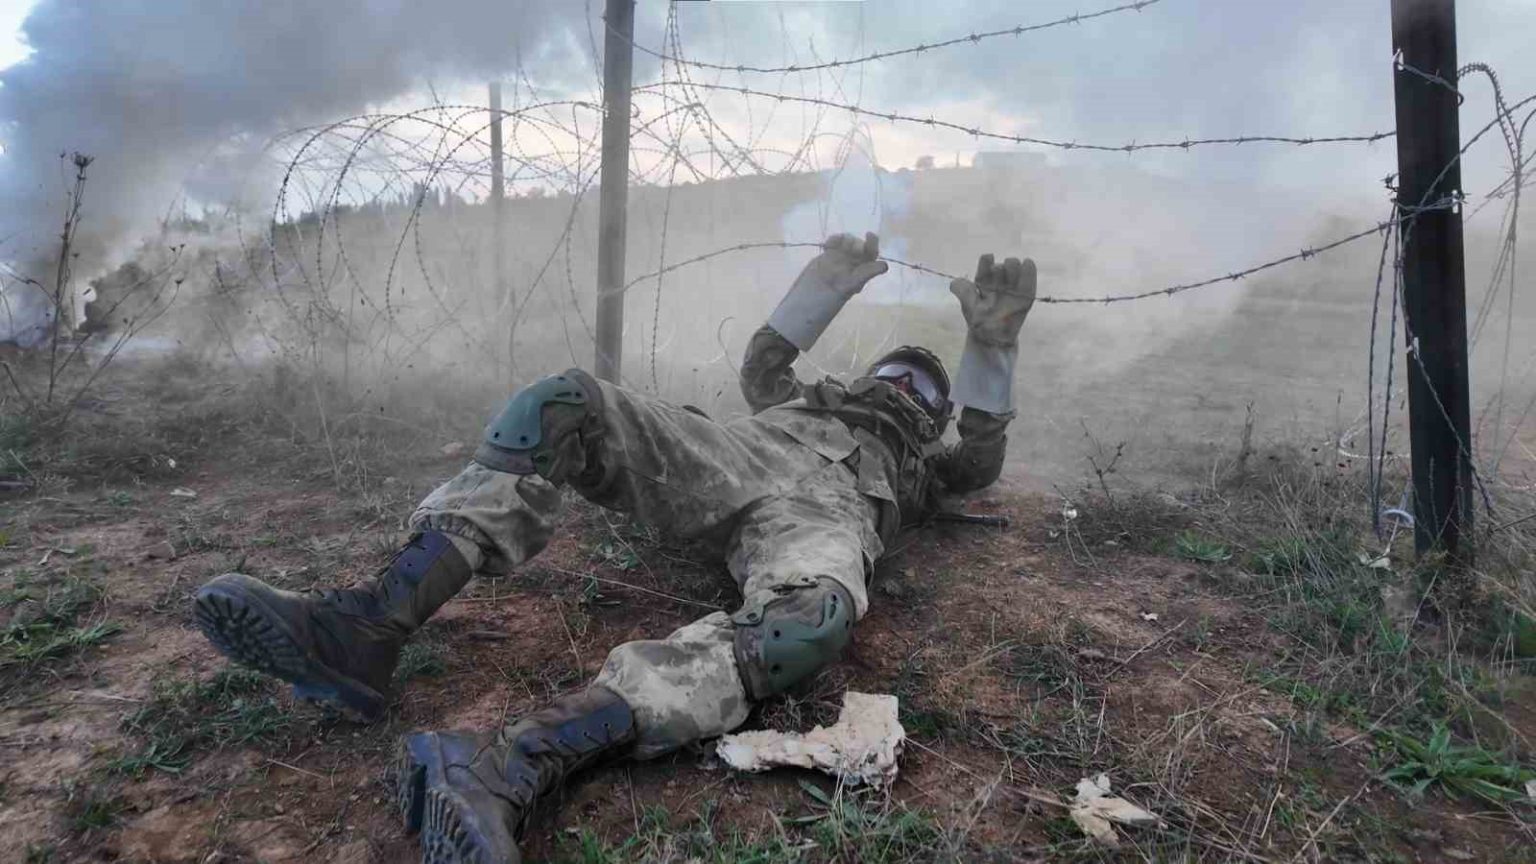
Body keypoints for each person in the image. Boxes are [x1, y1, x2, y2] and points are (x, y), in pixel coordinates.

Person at [192, 233, 1036, 863]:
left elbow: (980, 463)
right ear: (865, 377)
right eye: (896, 372)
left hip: (821, 524)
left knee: (807, 621)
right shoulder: (804, 399)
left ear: (936, 416)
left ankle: (505, 762)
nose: (905, 387)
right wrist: (824, 285)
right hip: (736, 458)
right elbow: (762, 366)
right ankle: (365, 625)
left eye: (925, 388)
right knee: (561, 404)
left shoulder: (922, 469)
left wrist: (992, 348)